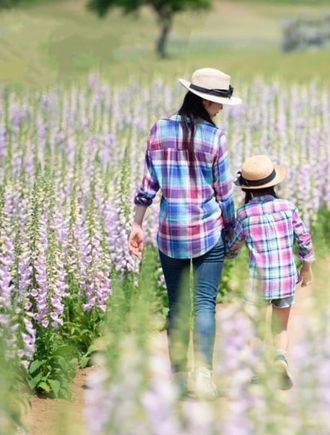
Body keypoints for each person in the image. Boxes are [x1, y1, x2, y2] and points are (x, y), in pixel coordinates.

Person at [128, 67, 242, 399]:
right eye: (219, 103)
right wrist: (232, 228)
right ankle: (203, 377)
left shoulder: (159, 129)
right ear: (206, 102)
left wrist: (137, 224)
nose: (221, 109)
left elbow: (148, 184)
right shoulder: (215, 138)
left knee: (177, 306)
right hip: (207, 230)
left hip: (170, 231)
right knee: (204, 304)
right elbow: (223, 193)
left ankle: (178, 378)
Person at [226, 155, 314, 390]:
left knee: (254, 327)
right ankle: (280, 364)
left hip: (258, 282)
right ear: (274, 184)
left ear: (247, 189)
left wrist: (227, 254)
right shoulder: (288, 207)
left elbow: (234, 245)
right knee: (281, 327)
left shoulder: (243, 214)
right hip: (286, 278)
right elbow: (304, 238)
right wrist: (306, 267)